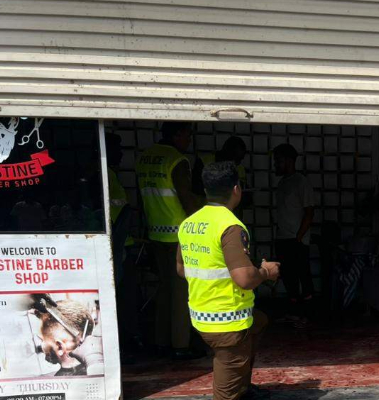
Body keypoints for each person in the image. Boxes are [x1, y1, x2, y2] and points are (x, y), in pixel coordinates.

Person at [177, 162, 280, 400]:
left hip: (200, 313)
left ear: (206, 190)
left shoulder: (189, 223)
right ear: (236, 189)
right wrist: (266, 272)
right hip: (227, 319)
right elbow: (244, 279)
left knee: (259, 322)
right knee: (226, 391)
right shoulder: (229, 225)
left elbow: (181, 269)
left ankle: (243, 387)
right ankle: (236, 390)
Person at [135, 121, 203, 360]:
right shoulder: (177, 160)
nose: (189, 141)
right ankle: (181, 345)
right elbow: (186, 196)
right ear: (177, 134)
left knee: (164, 288)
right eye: (187, 136)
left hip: (156, 232)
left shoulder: (145, 158)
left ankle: (161, 341)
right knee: (181, 291)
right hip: (178, 234)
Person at [105, 133, 143, 362]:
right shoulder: (104, 175)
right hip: (114, 249)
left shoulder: (111, 174)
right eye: (116, 149)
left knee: (126, 296)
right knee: (122, 298)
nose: (121, 154)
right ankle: (124, 342)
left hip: (122, 245)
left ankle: (127, 339)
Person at [273, 144, 315, 319]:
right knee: (288, 278)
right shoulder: (282, 183)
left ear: (289, 161)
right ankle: (294, 313)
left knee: (303, 276)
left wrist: (299, 237)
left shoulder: (301, 182)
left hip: (296, 239)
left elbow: (309, 212)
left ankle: (307, 314)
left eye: (279, 161)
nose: (276, 164)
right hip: (283, 237)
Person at [37, 299, 100, 376]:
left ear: (59, 347)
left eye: (42, 340)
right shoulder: (93, 371)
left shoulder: (59, 380)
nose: (40, 344)